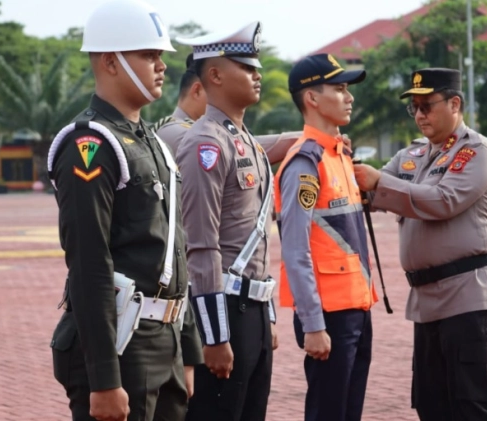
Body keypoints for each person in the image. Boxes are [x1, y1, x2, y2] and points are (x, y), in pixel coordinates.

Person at [47, 1, 201, 420]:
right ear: (110, 61)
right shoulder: (91, 145)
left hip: (162, 337)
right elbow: (89, 262)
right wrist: (103, 378)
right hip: (121, 343)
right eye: (148, 55)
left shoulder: (150, 141)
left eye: (160, 56)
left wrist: (186, 348)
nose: (160, 66)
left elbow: (173, 251)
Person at [353, 68, 487, 421]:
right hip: (427, 301)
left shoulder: (477, 152)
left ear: (455, 103)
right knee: (432, 405)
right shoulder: (414, 155)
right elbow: (372, 191)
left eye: (427, 105)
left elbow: (442, 201)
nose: (420, 114)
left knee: (473, 407)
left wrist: (379, 183)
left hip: (470, 296)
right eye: (414, 108)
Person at [174, 21, 278, 421]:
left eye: (256, 67)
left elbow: (259, 240)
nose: (257, 75)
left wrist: (266, 316)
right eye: (246, 67)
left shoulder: (246, 140)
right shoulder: (206, 144)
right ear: (215, 75)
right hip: (222, 309)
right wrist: (214, 337)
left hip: (251, 308)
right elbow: (200, 246)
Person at [274, 53, 377, 421]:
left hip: (357, 308)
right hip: (329, 315)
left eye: (347, 89)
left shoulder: (338, 157)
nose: (348, 97)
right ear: (311, 99)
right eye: (339, 89)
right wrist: (313, 323)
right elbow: (295, 250)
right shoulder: (306, 162)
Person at [155, 53, 302, 161]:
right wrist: (310, 139)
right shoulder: (175, 132)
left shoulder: (216, 131)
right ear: (197, 90)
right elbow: (242, 151)